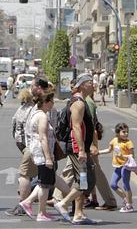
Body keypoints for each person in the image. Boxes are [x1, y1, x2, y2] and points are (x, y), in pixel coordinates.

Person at [53, 73, 98, 224]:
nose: (93, 84)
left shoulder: (80, 101)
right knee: (88, 181)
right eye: (89, 82)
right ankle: (63, 203)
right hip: (76, 148)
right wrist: (81, 150)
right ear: (81, 85)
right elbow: (76, 127)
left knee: (81, 179)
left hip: (77, 147)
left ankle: (78, 213)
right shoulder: (78, 103)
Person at [5, 77, 46, 216]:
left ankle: (23, 205)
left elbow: (15, 126)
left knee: (25, 174)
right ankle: (69, 201)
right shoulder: (38, 107)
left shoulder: (26, 109)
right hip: (35, 145)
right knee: (48, 177)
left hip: (31, 146)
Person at [17, 92, 57, 222]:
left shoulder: (35, 114)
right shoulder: (42, 116)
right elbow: (43, 138)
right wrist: (48, 157)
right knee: (45, 184)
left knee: (43, 182)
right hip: (42, 153)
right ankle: (41, 212)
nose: (53, 104)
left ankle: (28, 202)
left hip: (37, 152)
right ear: (45, 102)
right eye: (51, 101)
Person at [84, 86, 117, 211]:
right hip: (85, 140)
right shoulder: (85, 100)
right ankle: (90, 197)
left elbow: (89, 125)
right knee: (88, 170)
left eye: (74, 86)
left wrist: (91, 144)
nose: (72, 89)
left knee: (91, 169)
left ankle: (60, 199)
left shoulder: (87, 102)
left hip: (87, 140)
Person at [99, 122, 135, 212]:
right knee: (113, 184)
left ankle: (129, 205)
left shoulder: (129, 143)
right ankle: (126, 199)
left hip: (126, 166)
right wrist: (98, 152)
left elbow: (132, 156)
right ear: (118, 133)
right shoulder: (114, 140)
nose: (126, 134)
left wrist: (122, 156)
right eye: (124, 132)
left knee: (126, 185)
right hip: (118, 166)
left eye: (127, 132)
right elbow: (109, 150)